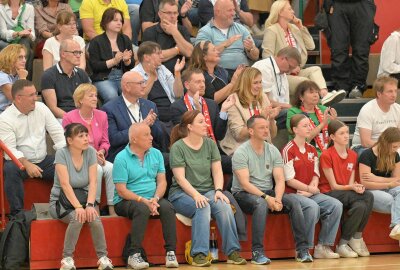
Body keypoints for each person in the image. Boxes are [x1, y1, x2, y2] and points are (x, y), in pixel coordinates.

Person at [232, 115, 314, 263]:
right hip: (243, 194)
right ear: (251, 131)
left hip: (268, 191)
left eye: (267, 127)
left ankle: (302, 250)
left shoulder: (273, 150)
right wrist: (266, 198)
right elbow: (245, 184)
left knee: (294, 202)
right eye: (261, 128)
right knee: (261, 204)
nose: (266, 130)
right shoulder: (241, 152)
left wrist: (277, 197)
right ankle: (257, 253)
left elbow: (280, 179)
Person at [168, 110, 246, 266]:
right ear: (190, 127)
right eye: (201, 122)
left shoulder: (210, 144)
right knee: (202, 207)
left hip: (208, 191)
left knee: (224, 206)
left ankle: (232, 252)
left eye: (205, 121)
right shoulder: (178, 147)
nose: (206, 125)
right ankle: (199, 254)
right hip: (181, 194)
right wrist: (196, 195)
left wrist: (218, 190)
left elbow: (217, 170)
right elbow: (180, 178)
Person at [113, 122, 178, 269]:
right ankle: (133, 254)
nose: (151, 137)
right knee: (141, 209)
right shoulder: (121, 158)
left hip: (152, 197)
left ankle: (170, 252)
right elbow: (121, 190)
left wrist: (155, 199)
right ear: (134, 139)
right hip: (126, 200)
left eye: (150, 133)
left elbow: (162, 182)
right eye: (146, 135)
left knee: (167, 207)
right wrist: (142, 200)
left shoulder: (156, 154)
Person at [49, 123, 114, 270]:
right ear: (70, 141)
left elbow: (93, 182)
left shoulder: (91, 152)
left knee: (95, 218)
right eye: (81, 136)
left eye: (86, 135)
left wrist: (90, 205)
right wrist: (78, 207)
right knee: (77, 218)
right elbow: (65, 185)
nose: (86, 138)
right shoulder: (61, 154)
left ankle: (103, 258)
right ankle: (67, 259)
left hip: (85, 199)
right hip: (61, 201)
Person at [0, 80, 66, 216]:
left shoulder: (41, 108)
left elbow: (57, 133)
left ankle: (66, 207)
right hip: (19, 162)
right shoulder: (5, 119)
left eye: (35, 93)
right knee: (10, 169)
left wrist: (68, 156)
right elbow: (10, 151)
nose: (35, 98)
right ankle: (17, 214)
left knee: (67, 164)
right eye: (31, 95)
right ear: (18, 98)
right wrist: (26, 164)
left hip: (43, 160)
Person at [262, 0, 346, 106]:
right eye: (289, 9)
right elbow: (267, 56)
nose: (293, 11)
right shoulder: (272, 30)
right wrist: (289, 67)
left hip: (297, 71)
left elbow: (311, 46)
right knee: (304, 81)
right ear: (280, 12)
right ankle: (314, 104)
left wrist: (301, 28)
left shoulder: (294, 28)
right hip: (282, 75)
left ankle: (325, 95)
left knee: (315, 69)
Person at [282, 114, 342, 259]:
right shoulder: (288, 150)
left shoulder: (312, 149)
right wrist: (310, 190)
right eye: (305, 126)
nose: (309, 128)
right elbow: (289, 180)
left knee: (335, 205)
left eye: (310, 125)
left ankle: (323, 246)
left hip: (310, 192)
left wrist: (311, 190)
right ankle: (304, 249)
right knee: (312, 206)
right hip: (292, 193)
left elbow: (316, 174)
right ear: (295, 130)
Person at [319, 119, 373, 258]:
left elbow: (350, 182)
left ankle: (344, 244)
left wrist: (356, 188)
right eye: (341, 133)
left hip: (346, 192)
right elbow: (334, 186)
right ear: (332, 137)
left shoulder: (353, 155)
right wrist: (352, 187)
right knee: (368, 196)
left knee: (361, 206)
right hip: (330, 192)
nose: (345, 136)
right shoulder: (326, 155)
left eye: (347, 133)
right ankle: (356, 238)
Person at [62, 83, 116, 215]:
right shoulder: (69, 117)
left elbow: (105, 141)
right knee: (96, 169)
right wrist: (92, 155)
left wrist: (102, 152)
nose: (94, 98)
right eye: (90, 95)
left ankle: (112, 207)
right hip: (79, 158)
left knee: (111, 168)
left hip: (98, 156)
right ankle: (94, 205)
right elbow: (71, 143)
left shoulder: (102, 115)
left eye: (96, 95)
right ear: (80, 100)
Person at [101, 71, 168, 162]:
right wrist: (142, 125)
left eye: (144, 82)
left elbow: (159, 137)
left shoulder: (150, 106)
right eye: (140, 83)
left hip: (149, 152)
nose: (144, 86)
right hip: (126, 154)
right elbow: (114, 139)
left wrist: (153, 125)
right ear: (127, 86)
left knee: (172, 159)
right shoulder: (110, 108)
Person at [220, 67, 279, 156]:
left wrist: (271, 119)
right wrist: (260, 119)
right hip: (241, 147)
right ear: (246, 83)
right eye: (255, 83)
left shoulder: (263, 97)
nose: (259, 86)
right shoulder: (233, 100)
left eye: (260, 82)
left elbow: (272, 135)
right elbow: (238, 135)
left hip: (263, 146)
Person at [325, 0, 376, 98]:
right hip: (337, 4)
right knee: (338, 49)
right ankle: (341, 87)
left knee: (361, 50)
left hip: (362, 4)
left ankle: (358, 86)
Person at [195, 0, 259, 78]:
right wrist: (225, 44)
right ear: (217, 12)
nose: (234, 14)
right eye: (229, 10)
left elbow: (255, 56)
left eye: (234, 10)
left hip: (243, 73)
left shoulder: (241, 29)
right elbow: (199, 57)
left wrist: (251, 49)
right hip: (219, 74)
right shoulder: (205, 31)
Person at [358, 127, 400, 240]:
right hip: (372, 190)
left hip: (388, 187)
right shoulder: (366, 155)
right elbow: (365, 183)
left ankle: (397, 225)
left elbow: (397, 179)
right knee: (393, 202)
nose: (396, 149)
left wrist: (376, 178)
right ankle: (397, 225)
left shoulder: (395, 155)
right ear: (385, 143)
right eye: (394, 146)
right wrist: (388, 184)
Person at [132, 41, 184, 125]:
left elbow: (178, 94)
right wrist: (152, 77)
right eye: (158, 54)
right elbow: (140, 99)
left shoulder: (162, 68)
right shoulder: (134, 74)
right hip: (152, 114)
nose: (162, 56)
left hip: (171, 110)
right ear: (146, 57)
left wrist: (177, 74)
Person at [89, 7, 134, 104]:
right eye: (115, 20)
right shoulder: (96, 41)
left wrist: (127, 61)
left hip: (123, 77)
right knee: (112, 96)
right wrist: (114, 61)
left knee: (131, 95)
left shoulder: (125, 39)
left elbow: (132, 65)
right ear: (106, 22)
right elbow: (94, 66)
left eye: (121, 21)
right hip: (104, 79)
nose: (119, 23)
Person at [41, 39, 90, 121]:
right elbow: (53, 108)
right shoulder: (48, 75)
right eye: (75, 52)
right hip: (60, 118)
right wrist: (73, 119)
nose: (79, 56)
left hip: (81, 115)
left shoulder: (82, 74)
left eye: (80, 52)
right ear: (63, 54)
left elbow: (88, 99)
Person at [252, 46, 300, 129]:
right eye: (290, 67)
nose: (290, 71)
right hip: (260, 112)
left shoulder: (282, 71)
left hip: (277, 111)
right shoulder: (264, 68)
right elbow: (263, 100)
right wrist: (287, 106)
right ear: (283, 59)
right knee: (296, 115)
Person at [286, 80, 338, 156]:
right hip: (303, 152)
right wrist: (322, 124)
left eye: (317, 92)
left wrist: (334, 124)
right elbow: (305, 140)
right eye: (311, 92)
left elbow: (333, 138)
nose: (316, 95)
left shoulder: (323, 109)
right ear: (301, 97)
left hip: (325, 151)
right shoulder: (294, 112)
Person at [351, 76, 400, 155]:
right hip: (363, 148)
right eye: (390, 91)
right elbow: (365, 142)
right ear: (379, 94)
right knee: (380, 155)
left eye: (395, 91)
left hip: (391, 147)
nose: (394, 95)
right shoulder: (367, 110)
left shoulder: (398, 109)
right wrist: (387, 147)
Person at [142, 0, 193, 74]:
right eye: (168, 13)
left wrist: (174, 32)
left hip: (181, 76)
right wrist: (177, 50)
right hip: (157, 76)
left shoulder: (182, 30)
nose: (172, 16)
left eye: (175, 13)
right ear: (160, 14)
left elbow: (189, 53)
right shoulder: (150, 32)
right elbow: (153, 57)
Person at [0, 0, 35, 80]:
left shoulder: (29, 8)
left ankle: (23, 81)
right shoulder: (1, 9)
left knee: (24, 41)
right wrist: (18, 33)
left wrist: (27, 33)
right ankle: (22, 80)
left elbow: (33, 35)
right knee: (29, 52)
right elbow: (3, 33)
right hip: (8, 41)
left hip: (25, 39)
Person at [0, 44, 28, 113]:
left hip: (12, 111)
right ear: (10, 58)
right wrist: (23, 78)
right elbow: (19, 100)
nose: (24, 60)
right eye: (20, 57)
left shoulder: (18, 74)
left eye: (25, 57)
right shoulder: (2, 77)